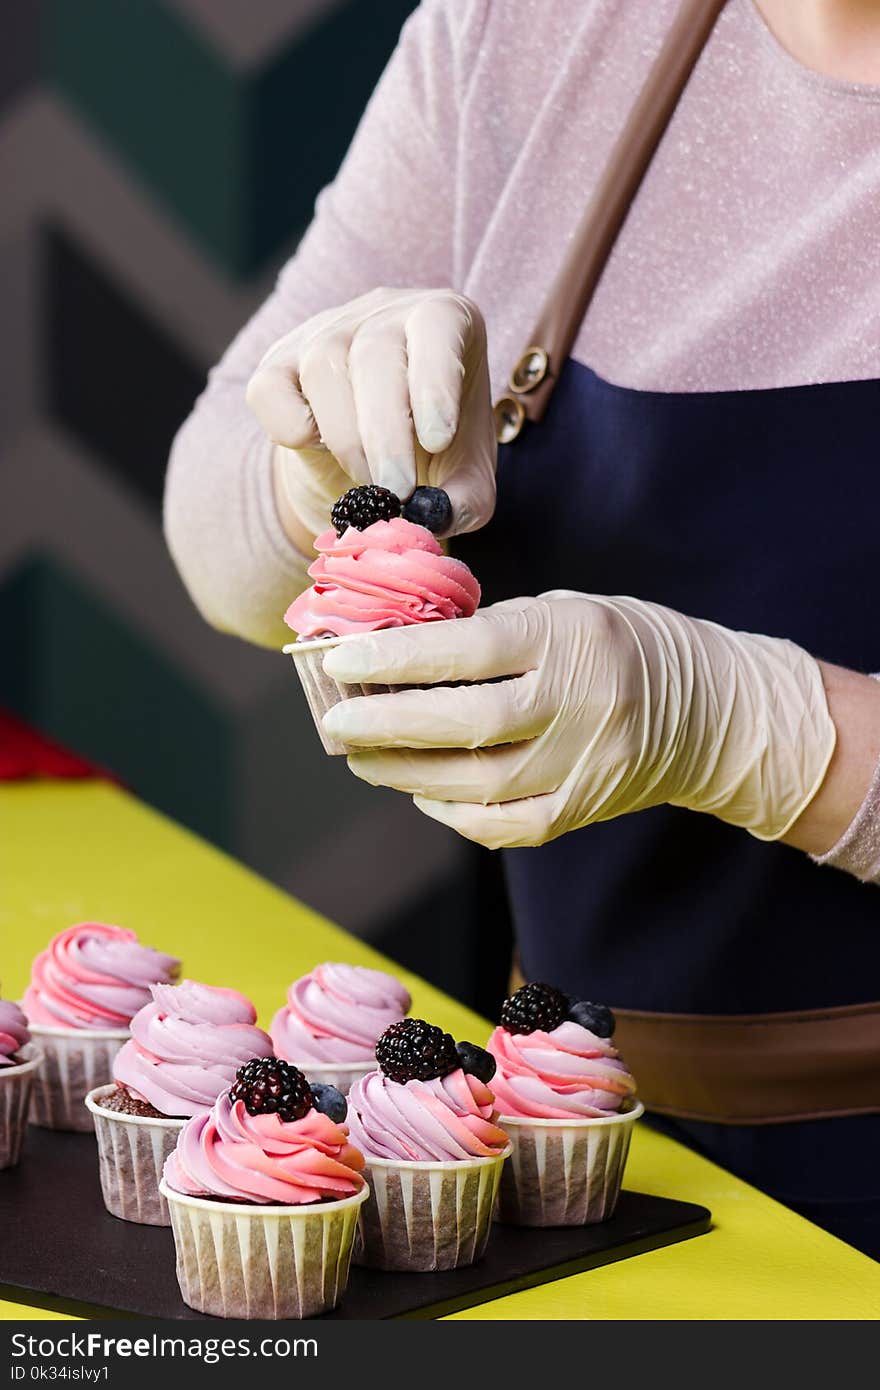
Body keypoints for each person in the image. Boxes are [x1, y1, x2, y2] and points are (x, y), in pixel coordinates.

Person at [164, 0, 880, 1258]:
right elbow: (211, 543)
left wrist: (754, 729)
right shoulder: (528, 28)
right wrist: (306, 469)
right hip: (562, 1168)